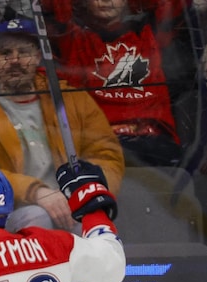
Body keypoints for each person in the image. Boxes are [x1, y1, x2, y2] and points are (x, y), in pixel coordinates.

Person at [0, 18, 123, 230]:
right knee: (38, 218)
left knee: (97, 224)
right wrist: (37, 193)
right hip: (13, 211)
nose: (15, 60)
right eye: (6, 53)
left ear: (37, 57)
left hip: (76, 201)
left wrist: (85, 193)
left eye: (24, 53)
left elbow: (107, 154)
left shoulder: (71, 99)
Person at [54, 0, 185, 167]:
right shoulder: (73, 40)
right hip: (99, 143)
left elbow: (173, 4)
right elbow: (55, 6)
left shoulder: (149, 32)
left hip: (155, 143)